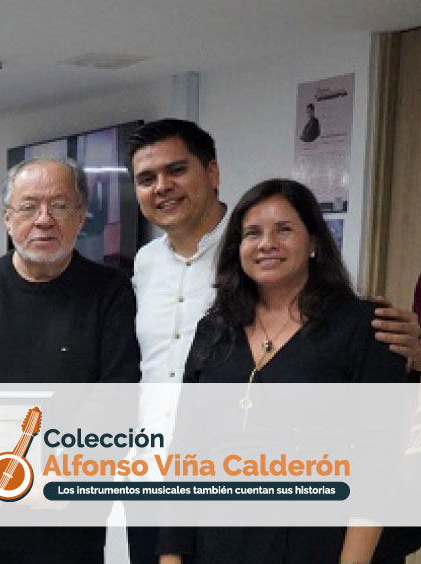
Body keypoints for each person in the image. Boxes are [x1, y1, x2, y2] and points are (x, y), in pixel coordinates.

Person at [124, 119, 421, 564]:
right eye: (147, 179)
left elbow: (376, 460)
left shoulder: (360, 326)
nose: (266, 244)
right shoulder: (174, 289)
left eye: (284, 230)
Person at [0, 156, 139, 564]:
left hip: (66, 516)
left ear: (80, 216)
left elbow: (118, 396)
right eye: (28, 207)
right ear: (6, 218)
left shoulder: (110, 292)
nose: (43, 220)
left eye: (58, 206)